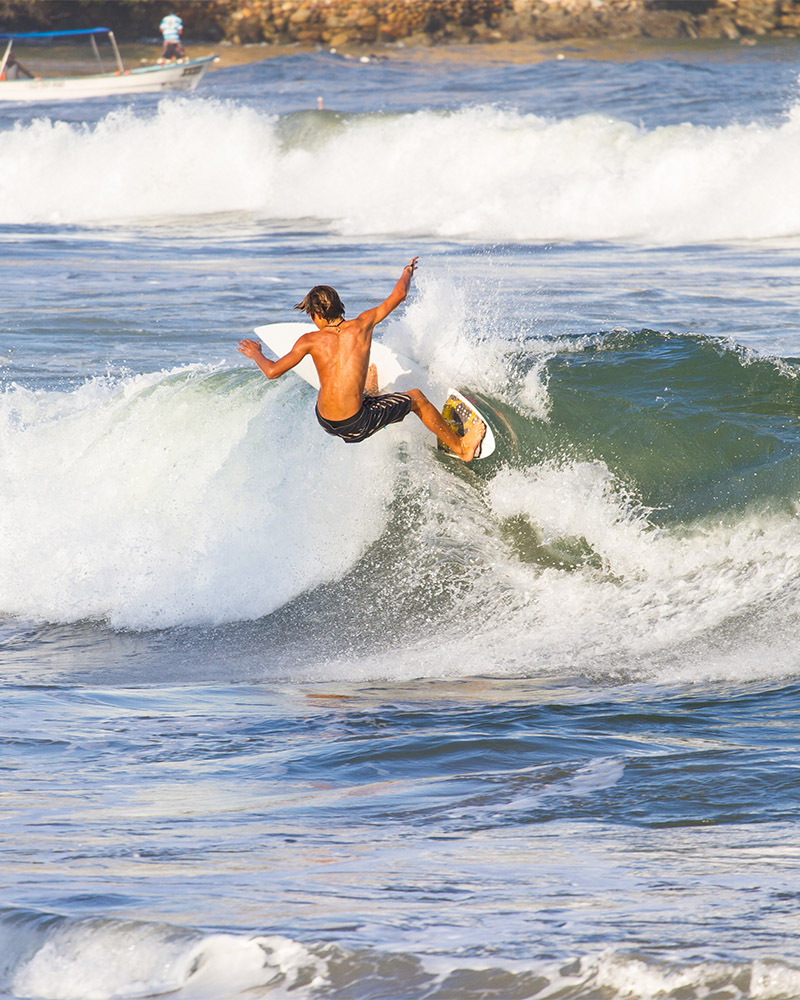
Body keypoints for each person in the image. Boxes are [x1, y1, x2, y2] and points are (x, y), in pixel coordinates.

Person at [237, 259, 485, 462]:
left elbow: (271, 371)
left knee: (345, 380)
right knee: (417, 398)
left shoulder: (309, 341)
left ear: (317, 315)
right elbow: (399, 295)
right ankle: (462, 449)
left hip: (325, 420)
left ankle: (370, 393)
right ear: (339, 307)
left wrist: (255, 353)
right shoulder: (363, 324)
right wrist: (407, 272)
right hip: (356, 425)